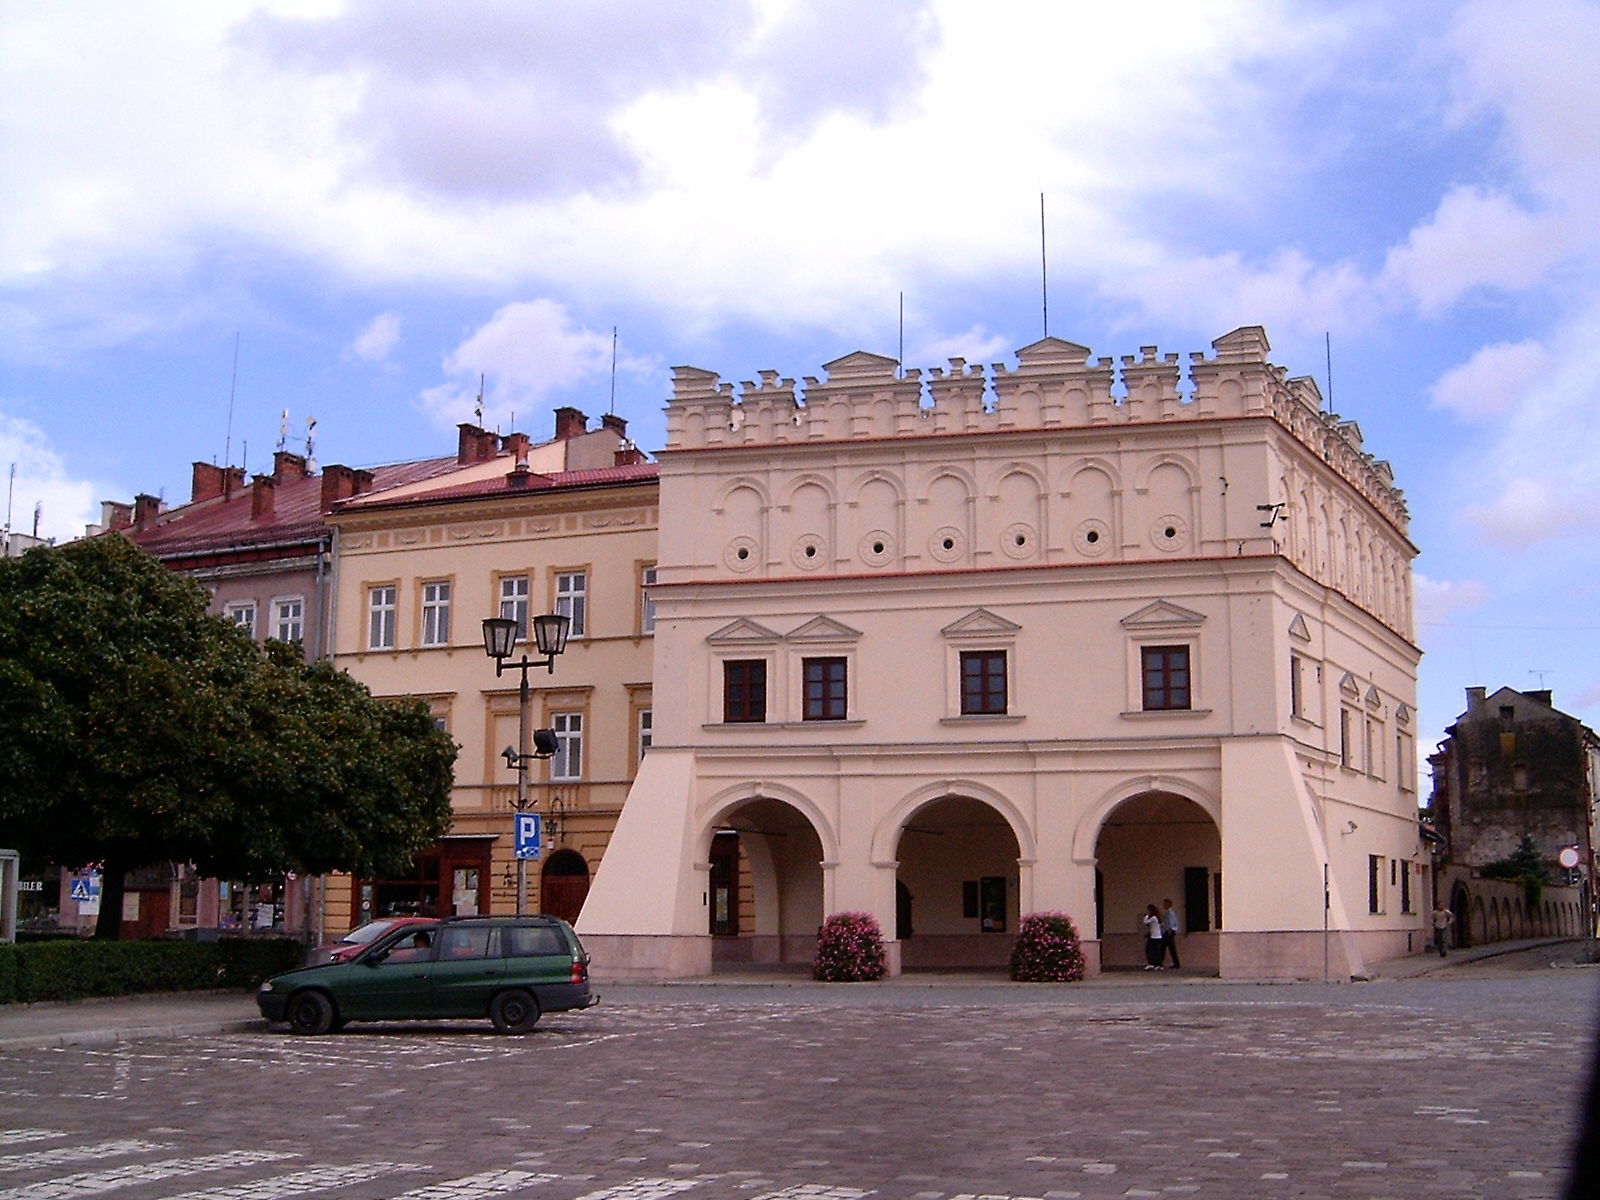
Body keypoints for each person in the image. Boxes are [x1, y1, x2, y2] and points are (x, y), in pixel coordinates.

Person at [1161, 897, 1182, 969]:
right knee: (1168, 948)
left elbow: (1171, 923)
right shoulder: (1168, 913)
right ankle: (1174, 963)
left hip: (1168, 932)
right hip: (1167, 931)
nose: (1163, 905)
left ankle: (1175, 963)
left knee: (1169, 948)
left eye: (1165, 904)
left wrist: (1170, 930)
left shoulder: (1170, 913)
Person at [1142, 904, 1164, 969]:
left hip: (1155, 936)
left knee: (1150, 950)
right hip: (1154, 936)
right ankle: (1156, 964)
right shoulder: (1156, 917)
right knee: (1154, 951)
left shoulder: (1154, 918)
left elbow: (1145, 922)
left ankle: (1155, 964)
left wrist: (1146, 916)